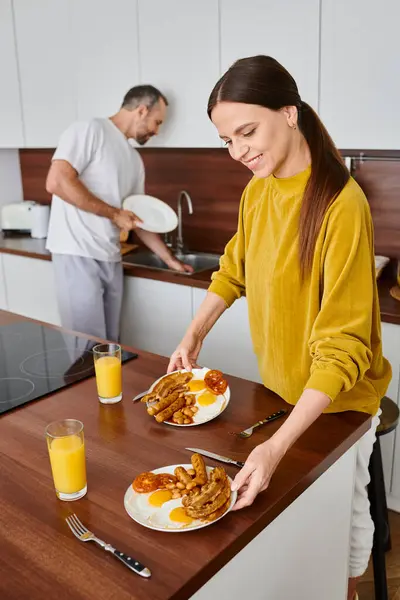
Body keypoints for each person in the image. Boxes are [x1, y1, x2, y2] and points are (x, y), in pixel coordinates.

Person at [168, 56, 391, 600]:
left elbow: (343, 347)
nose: (238, 152)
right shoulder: (259, 188)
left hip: (337, 406)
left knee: (347, 526)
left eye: (247, 132)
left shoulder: (341, 204)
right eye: (226, 140)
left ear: (289, 113)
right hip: (280, 391)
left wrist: (275, 447)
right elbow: (233, 268)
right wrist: (195, 331)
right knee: (293, 523)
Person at [46, 85, 192, 342]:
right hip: (77, 253)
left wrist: (169, 260)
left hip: (110, 256)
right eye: (157, 122)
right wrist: (114, 214)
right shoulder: (90, 130)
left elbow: (137, 217)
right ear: (142, 110)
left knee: (110, 347)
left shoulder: (134, 159)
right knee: (85, 349)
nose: (157, 131)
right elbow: (57, 181)